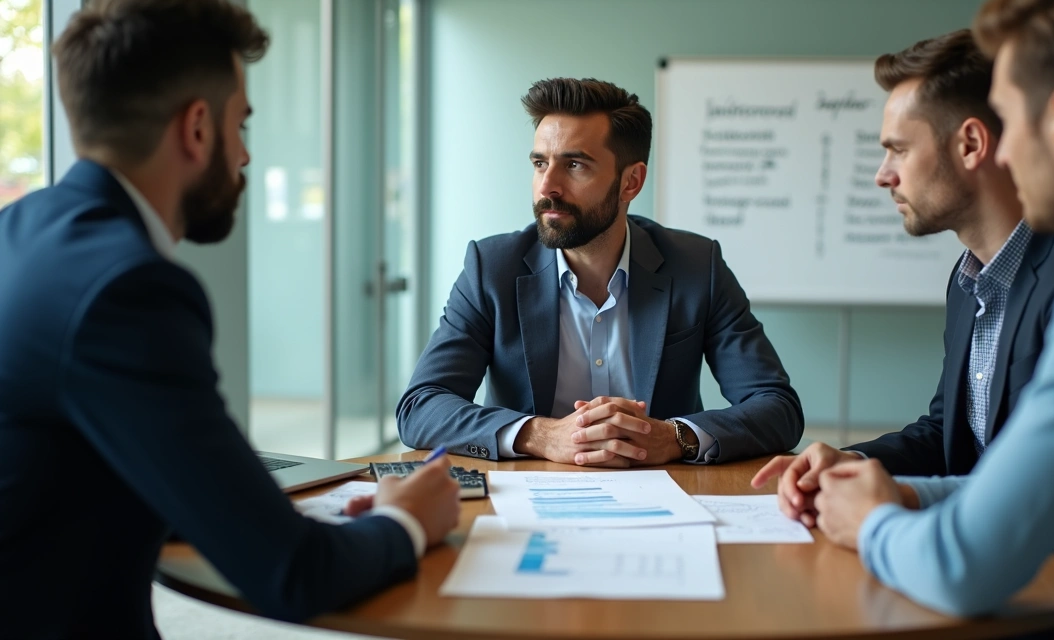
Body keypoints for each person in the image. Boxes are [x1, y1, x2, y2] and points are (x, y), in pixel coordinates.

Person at [0, 2, 459, 637]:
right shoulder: (128, 291)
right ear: (196, 128)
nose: (244, 154)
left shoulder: (18, 232)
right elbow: (295, 574)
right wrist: (408, 518)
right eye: (241, 124)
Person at [809, 1, 1054, 637]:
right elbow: (1026, 481)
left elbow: (965, 566)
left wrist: (869, 524)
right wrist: (899, 493)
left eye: (1011, 116)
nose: (1005, 149)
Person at [752, 29, 1054, 524]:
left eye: (899, 150)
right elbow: (947, 431)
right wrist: (854, 463)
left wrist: (899, 500)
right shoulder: (967, 278)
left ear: (971, 144)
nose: (882, 175)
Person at [398, 78, 803, 466]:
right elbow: (421, 406)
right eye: (540, 163)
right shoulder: (492, 268)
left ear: (631, 182)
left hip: (666, 493)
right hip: (526, 493)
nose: (547, 186)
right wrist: (540, 435)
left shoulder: (697, 266)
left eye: (574, 165)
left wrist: (675, 437)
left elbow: (777, 406)